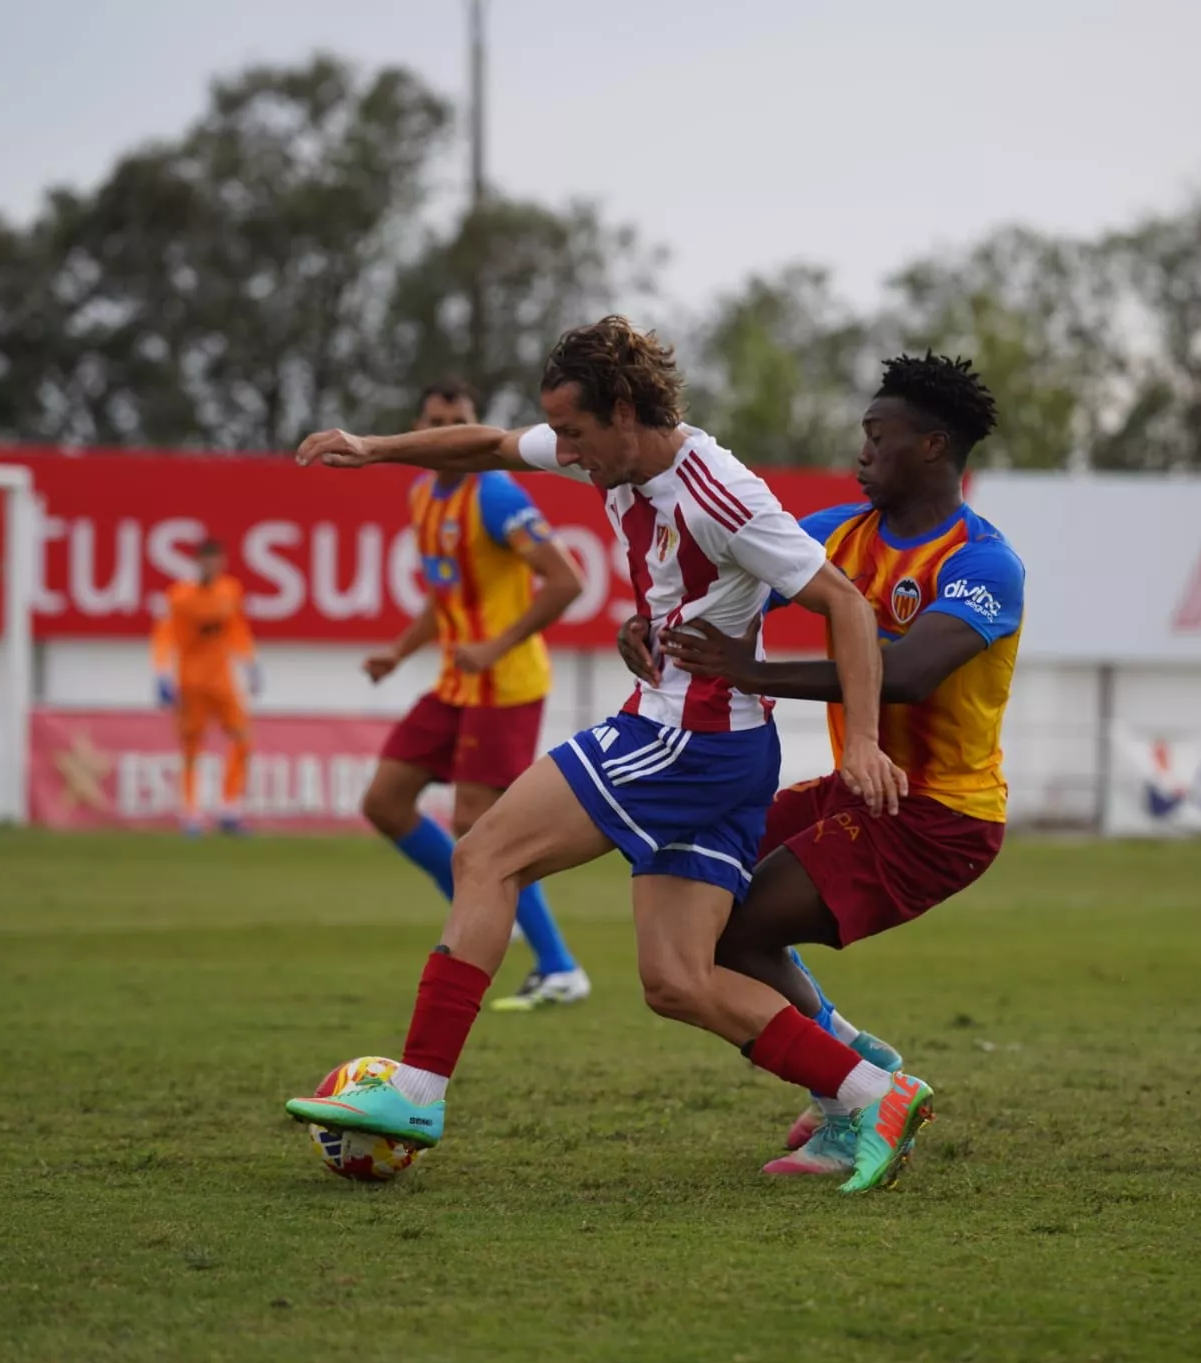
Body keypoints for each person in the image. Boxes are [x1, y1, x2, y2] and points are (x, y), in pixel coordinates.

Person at [286, 316, 926, 1194]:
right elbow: (491, 445)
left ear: (626, 412)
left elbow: (846, 605)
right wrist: (376, 446)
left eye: (580, 435)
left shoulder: (721, 491)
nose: (570, 454)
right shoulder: (615, 451)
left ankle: (418, 1090)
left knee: (485, 854)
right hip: (720, 747)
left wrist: (860, 743)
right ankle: (872, 1091)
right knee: (677, 979)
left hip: (683, 739)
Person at [623, 352, 1023, 1177]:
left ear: (934, 447)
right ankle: (856, 1063)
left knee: (729, 928)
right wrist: (653, 628)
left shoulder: (982, 562)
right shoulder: (836, 532)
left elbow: (906, 674)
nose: (863, 452)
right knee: (706, 902)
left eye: (881, 437)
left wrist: (753, 672)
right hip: (860, 790)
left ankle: (856, 1097)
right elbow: (723, 590)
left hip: (939, 815)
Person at [360, 380, 591, 1009]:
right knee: (385, 800)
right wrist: (398, 652)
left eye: (458, 420)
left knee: (477, 828)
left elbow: (566, 580)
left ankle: (560, 965)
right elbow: (447, 598)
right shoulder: (422, 497)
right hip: (456, 682)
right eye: (436, 421)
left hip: (506, 682)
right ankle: (489, 901)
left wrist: (496, 645)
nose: (446, 431)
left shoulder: (493, 491)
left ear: (474, 425)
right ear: (420, 425)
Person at [151, 538, 260, 836]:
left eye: (217, 561)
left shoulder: (230, 590)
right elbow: (164, 636)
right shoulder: (179, 596)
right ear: (198, 562)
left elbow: (237, 630)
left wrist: (250, 663)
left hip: (222, 680)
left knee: (242, 739)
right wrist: (161, 673)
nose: (213, 567)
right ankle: (190, 813)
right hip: (190, 682)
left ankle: (229, 809)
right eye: (207, 561)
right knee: (191, 748)